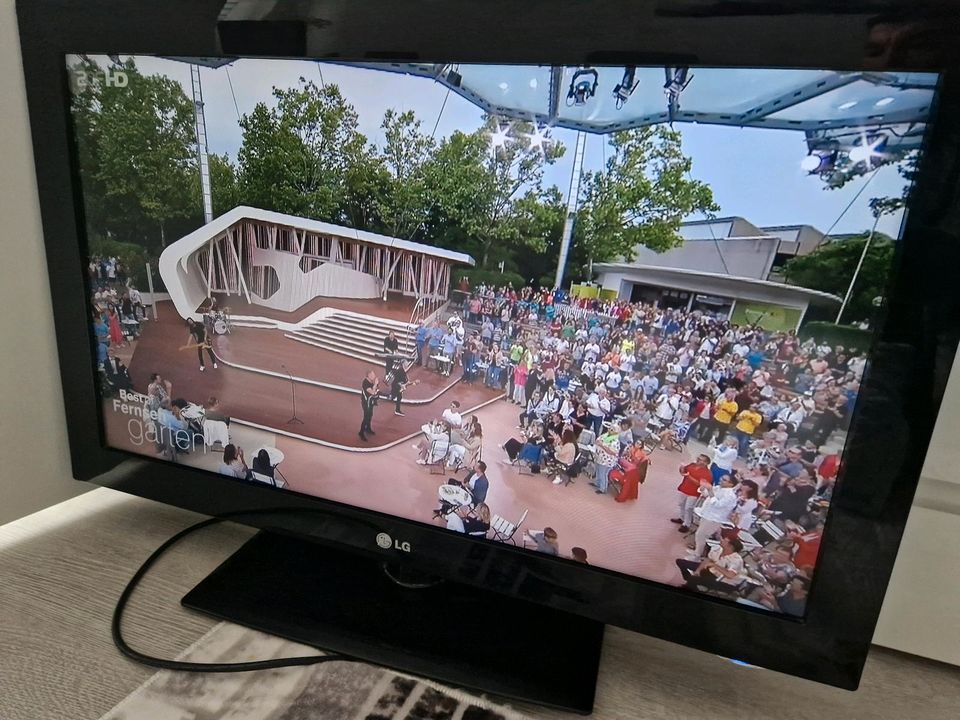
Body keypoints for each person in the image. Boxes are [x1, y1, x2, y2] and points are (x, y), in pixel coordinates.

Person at [676, 535, 746, 594]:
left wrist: (714, 565)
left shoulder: (736, 560)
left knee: (693, 579)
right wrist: (698, 570)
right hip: (710, 571)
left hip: (723, 582)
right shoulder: (718, 549)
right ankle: (690, 582)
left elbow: (730, 575)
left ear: (730, 546)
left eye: (724, 540)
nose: (721, 540)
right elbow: (707, 560)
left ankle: (691, 585)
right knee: (680, 562)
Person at [692, 474, 739, 558]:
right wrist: (703, 487)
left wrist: (710, 490)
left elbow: (717, 504)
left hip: (714, 519)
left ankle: (697, 555)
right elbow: (706, 494)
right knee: (699, 535)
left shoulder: (730, 496)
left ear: (731, 484)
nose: (720, 480)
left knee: (701, 535)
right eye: (721, 478)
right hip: (707, 514)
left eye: (724, 480)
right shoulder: (718, 487)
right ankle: (697, 552)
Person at [672, 454, 713, 533]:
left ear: (706, 463)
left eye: (702, 460)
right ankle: (682, 518)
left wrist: (688, 476)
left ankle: (686, 524)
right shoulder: (692, 465)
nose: (699, 461)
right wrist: (681, 468)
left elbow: (699, 484)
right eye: (699, 459)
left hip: (693, 493)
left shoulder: (707, 474)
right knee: (681, 504)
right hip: (684, 488)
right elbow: (683, 472)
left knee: (688, 508)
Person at [359, 370, 379, 442]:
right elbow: (373, 392)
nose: (374, 376)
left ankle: (368, 428)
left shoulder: (371, 382)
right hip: (366, 403)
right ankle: (361, 432)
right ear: (369, 375)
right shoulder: (365, 383)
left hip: (370, 402)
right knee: (366, 417)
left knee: (370, 415)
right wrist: (376, 384)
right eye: (373, 374)